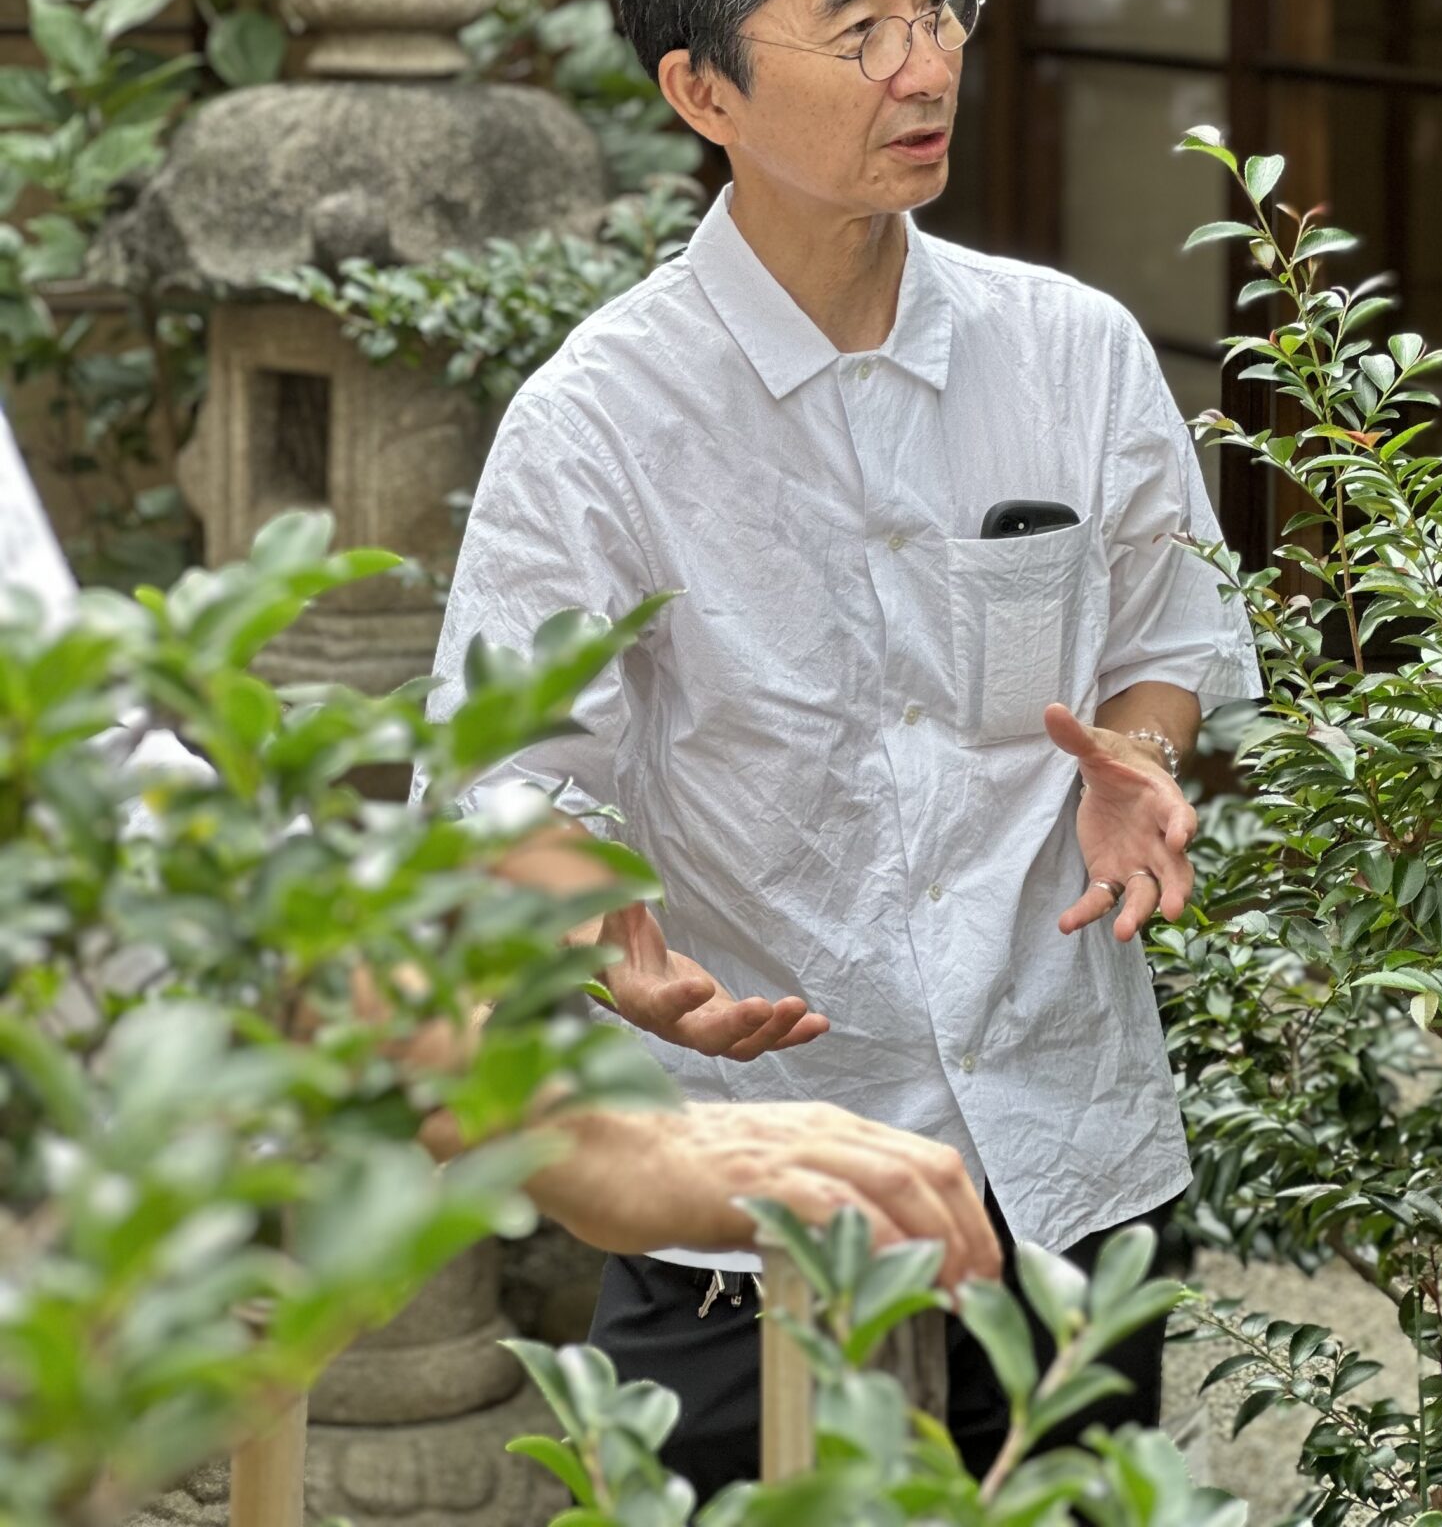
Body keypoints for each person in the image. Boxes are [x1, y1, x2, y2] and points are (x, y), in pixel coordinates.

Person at [426, 0, 1259, 1493]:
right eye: (856, 22)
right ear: (702, 91)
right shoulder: (599, 419)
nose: (921, 64)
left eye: (936, 4)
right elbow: (516, 769)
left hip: (1062, 1154)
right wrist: (597, 928)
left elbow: (1168, 635)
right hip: (758, 1183)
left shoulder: (1073, 352)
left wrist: (1143, 764)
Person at [0, 402, 995, 1288]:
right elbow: (74, 793)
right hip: (709, 1170)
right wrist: (573, 1059)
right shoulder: (593, 406)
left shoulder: (1062, 337)